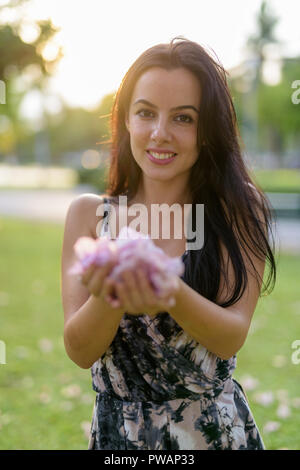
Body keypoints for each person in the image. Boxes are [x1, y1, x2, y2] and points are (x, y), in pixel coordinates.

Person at [61, 37, 277, 450]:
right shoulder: (88, 215)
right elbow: (79, 350)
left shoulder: (237, 208)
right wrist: (114, 291)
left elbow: (230, 336)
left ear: (208, 129)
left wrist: (168, 289)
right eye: (145, 113)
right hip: (118, 440)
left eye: (183, 118)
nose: (159, 134)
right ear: (126, 119)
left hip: (210, 435)